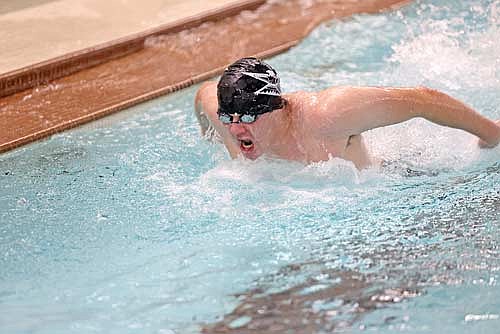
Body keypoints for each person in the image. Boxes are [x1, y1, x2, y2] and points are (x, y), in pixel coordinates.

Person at [194, 57, 500, 169]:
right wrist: (208, 136)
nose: (235, 131)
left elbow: (421, 99)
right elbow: (203, 93)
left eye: (247, 118)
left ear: (275, 108)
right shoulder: (231, 124)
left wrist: (491, 134)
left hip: (391, 188)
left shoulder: (327, 115)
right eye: (227, 119)